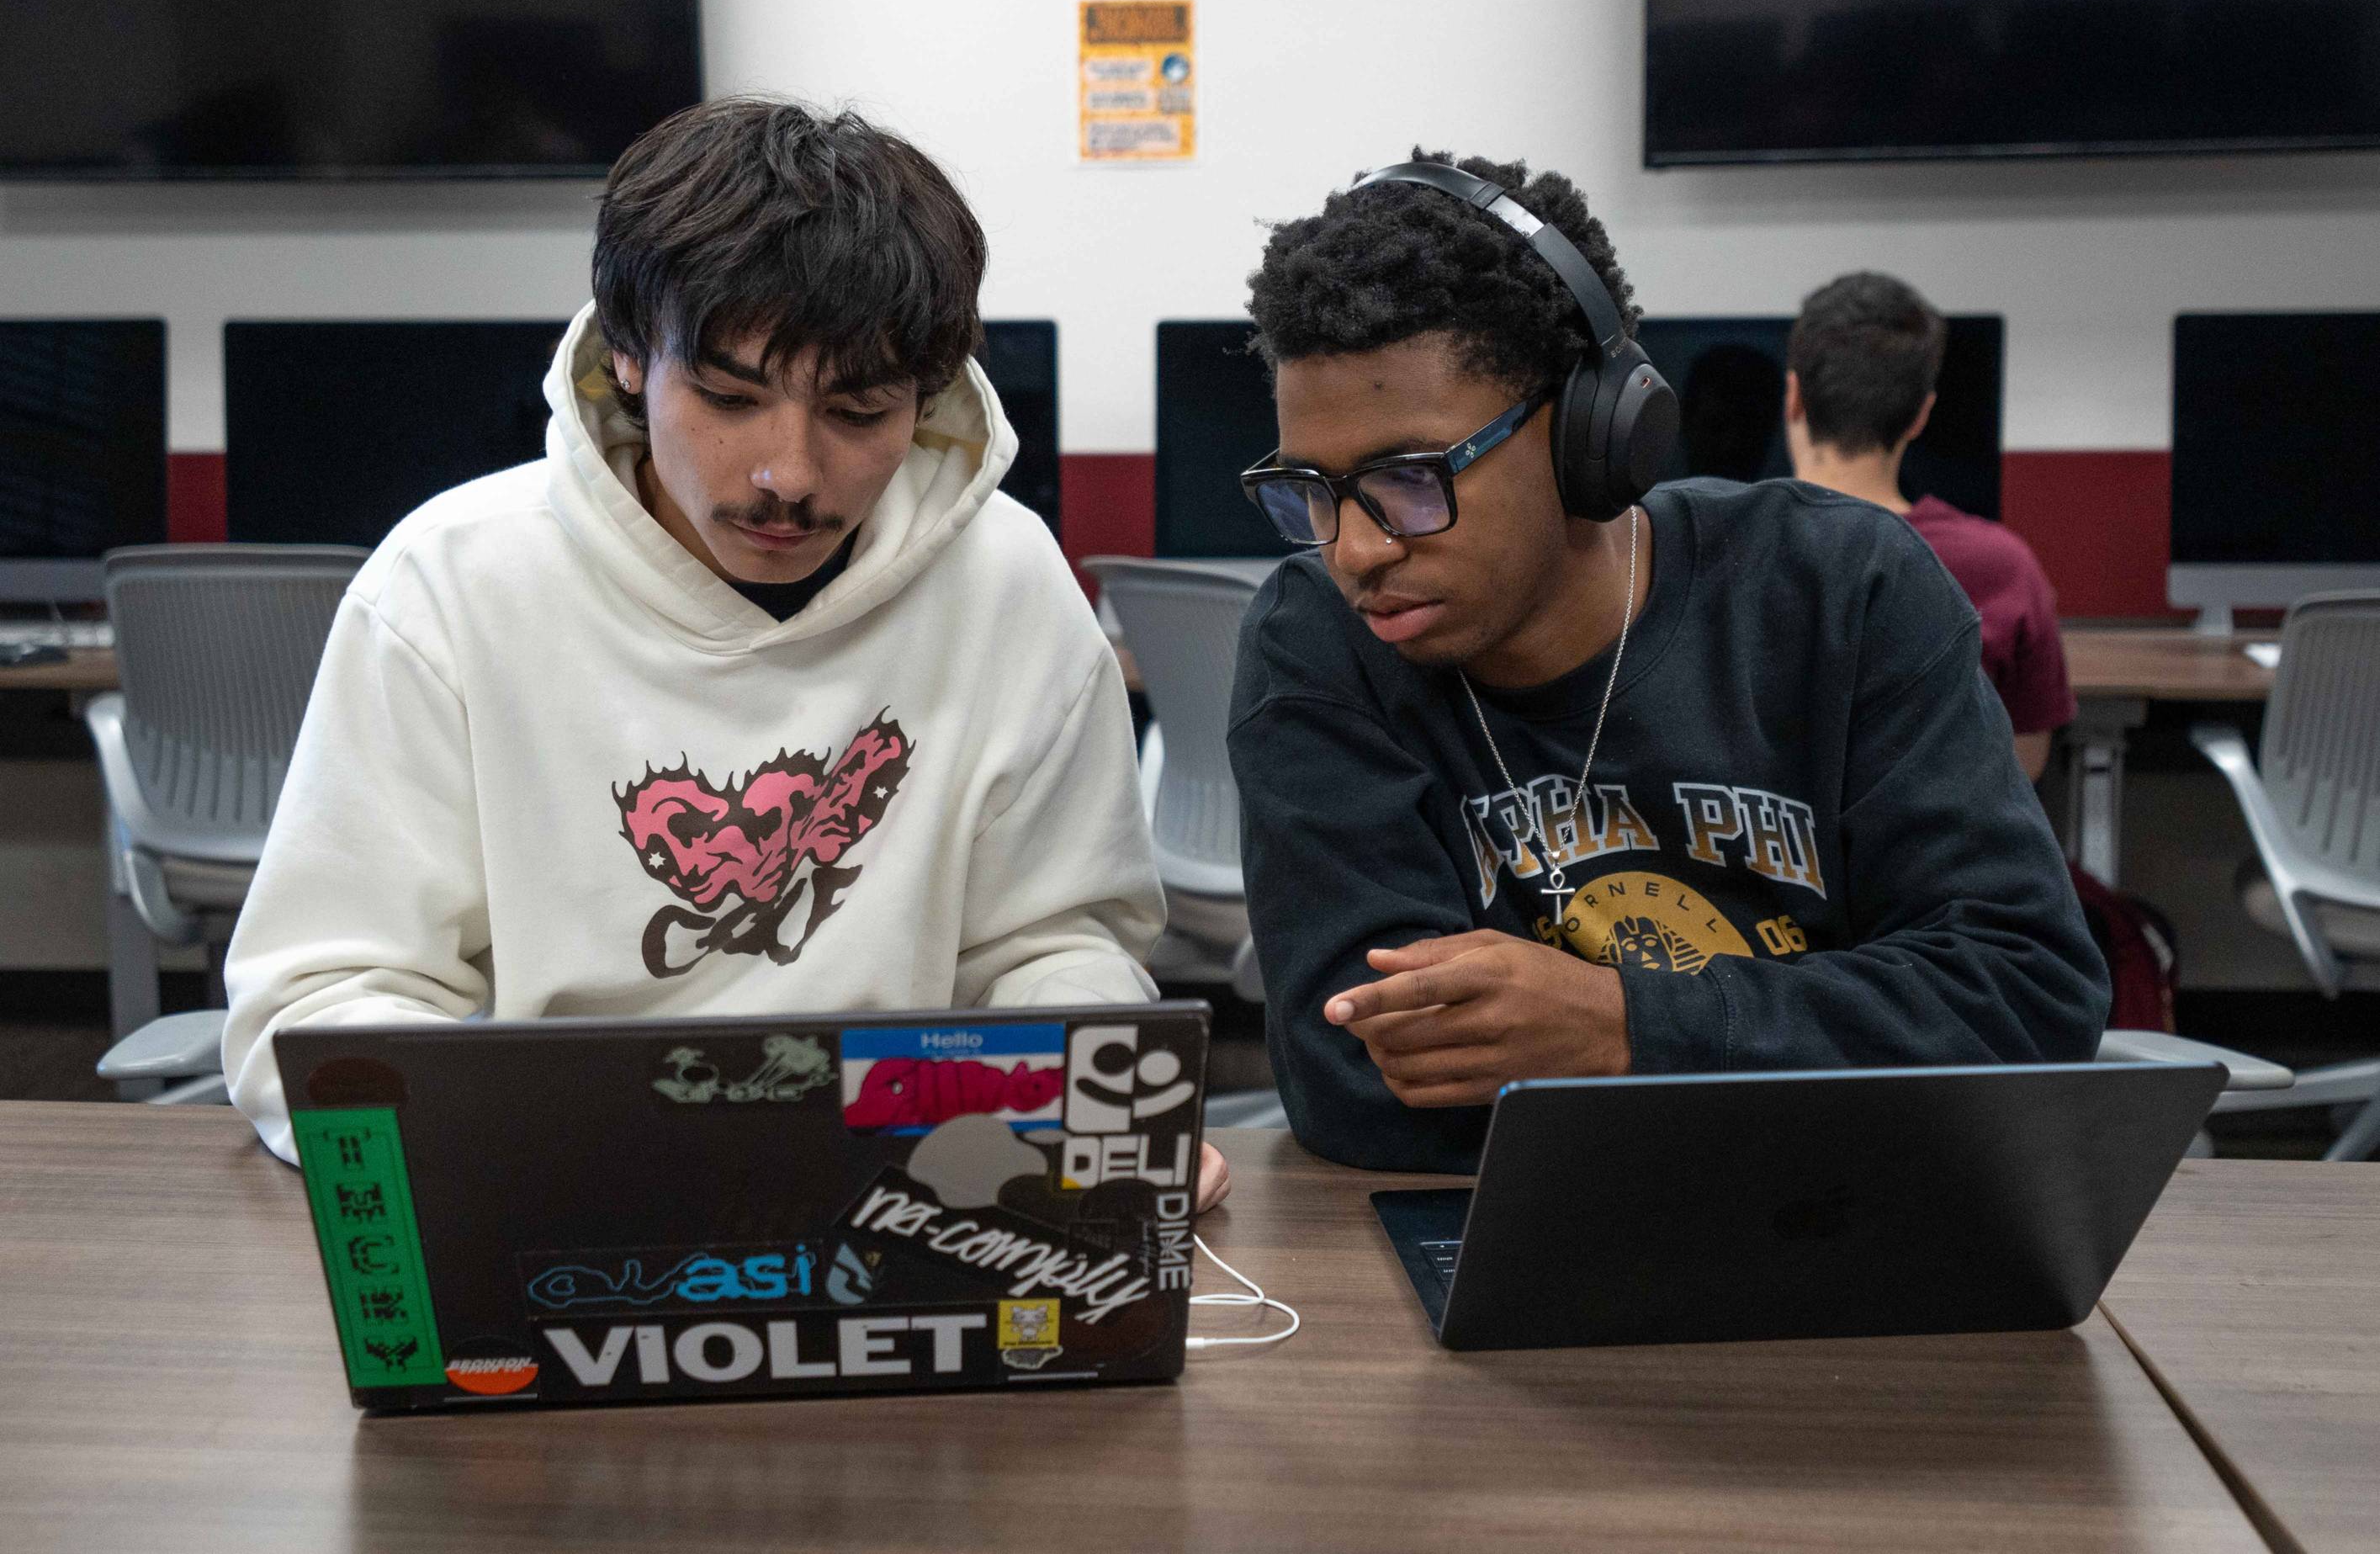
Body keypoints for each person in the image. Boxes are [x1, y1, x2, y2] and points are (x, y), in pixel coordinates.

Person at [220, 96, 1227, 1208]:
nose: (787, 474)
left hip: (912, 1191)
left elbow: (1052, 944)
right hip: (557, 1183)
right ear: (626, 357)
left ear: (925, 403)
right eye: (730, 397)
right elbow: (318, 1002)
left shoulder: (1008, 582)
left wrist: (1098, 1104)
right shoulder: (451, 583)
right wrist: (484, 1143)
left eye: (857, 412)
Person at [1227, 151, 2107, 1173]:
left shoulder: (1842, 592)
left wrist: (1623, 1025)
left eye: (1411, 479)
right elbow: (1363, 1085)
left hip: (1853, 1213)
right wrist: (1812, 1051)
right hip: (1507, 1240)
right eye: (1314, 490)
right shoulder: (1318, 641)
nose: (1357, 549)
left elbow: (2025, 1000)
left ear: (1592, 435)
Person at [1785, 272, 2075, 780]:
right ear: (1921, 415)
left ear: (1794, 397)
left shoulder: (1714, 546)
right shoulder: (2002, 565)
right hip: (1932, 852)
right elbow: (2023, 763)